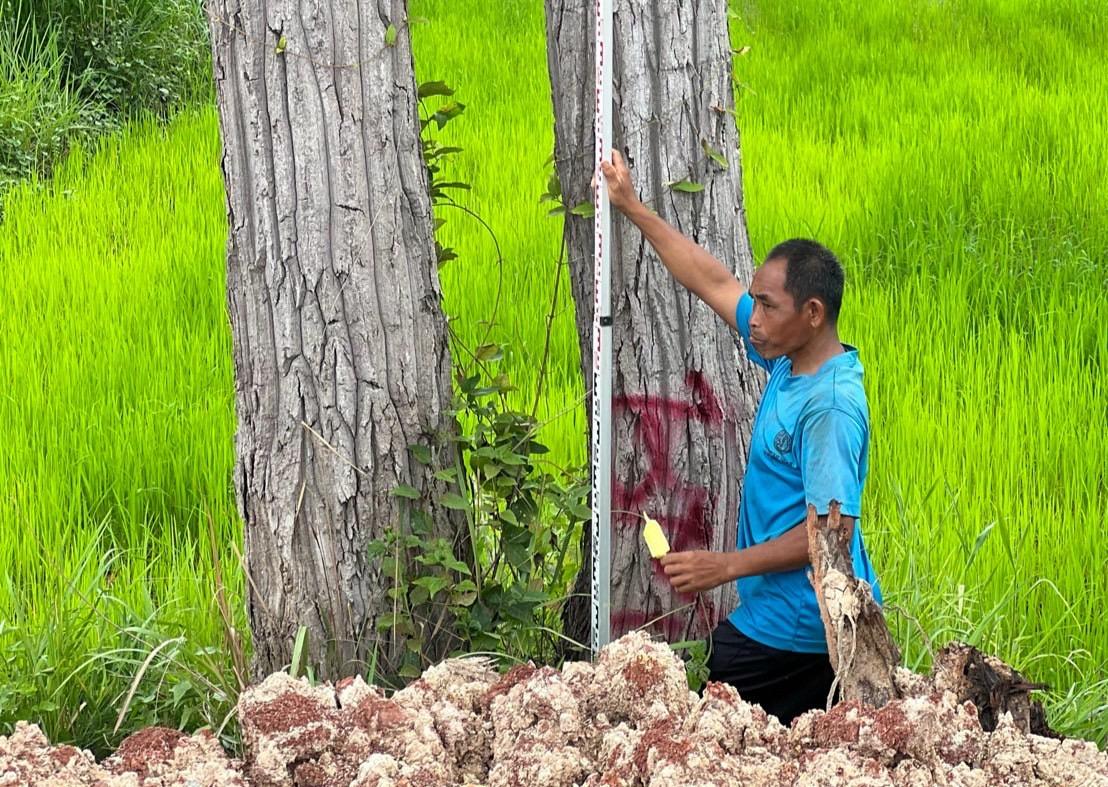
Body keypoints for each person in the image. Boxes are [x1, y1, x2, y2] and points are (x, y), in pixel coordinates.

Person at [599, 150, 882, 725]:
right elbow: (713, 280)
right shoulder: (790, 359)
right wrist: (633, 208)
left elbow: (831, 536)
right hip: (781, 616)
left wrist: (723, 567)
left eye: (768, 307)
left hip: (802, 625)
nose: (753, 318)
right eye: (757, 303)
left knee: (722, 728)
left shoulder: (829, 408)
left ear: (812, 312)